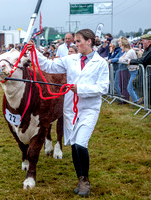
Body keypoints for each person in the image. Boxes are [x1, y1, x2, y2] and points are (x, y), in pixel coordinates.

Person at [27, 29, 109, 197]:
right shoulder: (71, 59)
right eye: (75, 41)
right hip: (71, 108)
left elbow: (103, 87)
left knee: (81, 143)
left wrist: (80, 89)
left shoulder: (101, 63)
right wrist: (33, 50)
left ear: (89, 42)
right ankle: (80, 178)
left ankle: (85, 180)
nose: (75, 44)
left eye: (78, 41)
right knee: (73, 145)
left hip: (89, 109)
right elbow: (48, 65)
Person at [119, 39, 142, 104]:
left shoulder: (130, 52)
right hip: (131, 71)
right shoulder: (127, 52)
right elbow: (120, 59)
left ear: (123, 46)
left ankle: (136, 101)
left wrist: (125, 60)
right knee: (131, 87)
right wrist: (125, 60)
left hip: (134, 71)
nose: (120, 47)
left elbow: (122, 60)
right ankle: (137, 100)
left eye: (121, 46)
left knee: (130, 87)